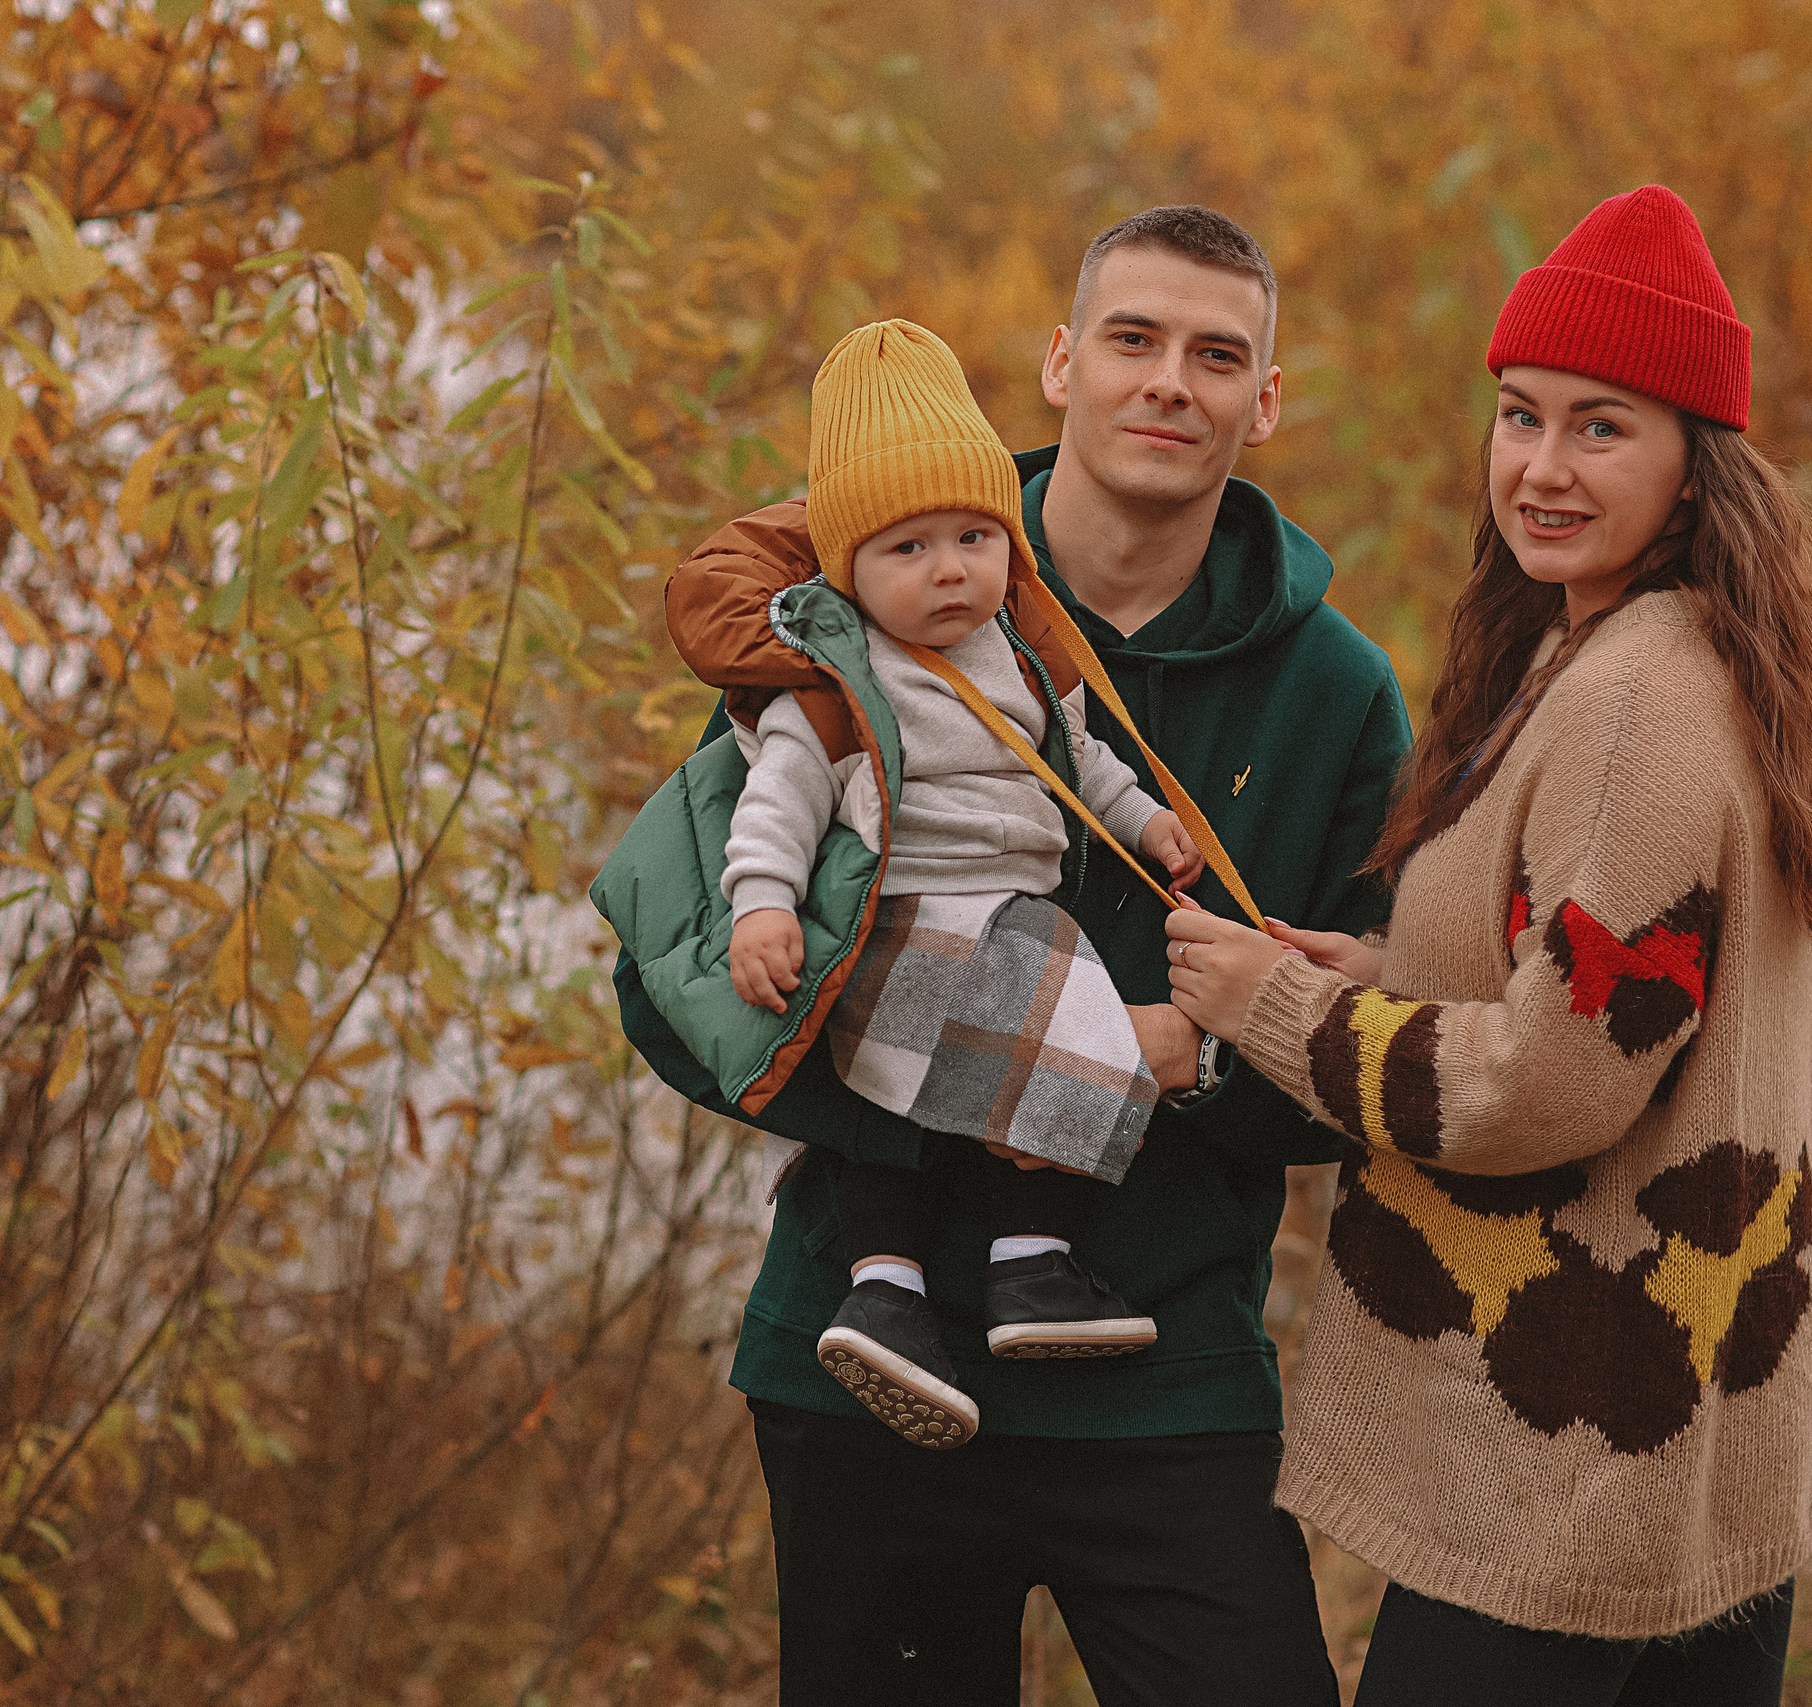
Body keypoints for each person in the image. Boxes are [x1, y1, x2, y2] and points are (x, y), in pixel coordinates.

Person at [603, 206, 1410, 1704]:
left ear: (1265, 399)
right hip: (866, 1363)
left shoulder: (1337, 694)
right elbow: (684, 969)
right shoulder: (864, 599)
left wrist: (1199, 1052)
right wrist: (904, 1046)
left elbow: (1378, 1055)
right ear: (1059, 364)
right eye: (1133, 339)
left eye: (1217, 354)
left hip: (1163, 1361)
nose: (1170, 381)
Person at [1162, 185, 1812, 1706]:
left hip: (1578, 1440)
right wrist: (1375, 972)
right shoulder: (1676, 651)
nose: (1543, 466)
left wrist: (1278, 1009)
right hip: (1696, 1432)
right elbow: (1633, 993)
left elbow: (1562, 1078)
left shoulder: (1637, 695)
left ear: (1697, 465)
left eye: (1601, 427)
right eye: (1521, 416)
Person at [712, 317, 1213, 1446]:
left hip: (1014, 913)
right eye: (907, 548)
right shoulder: (837, 683)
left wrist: (1148, 825)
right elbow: (778, 802)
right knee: (972, 1083)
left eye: (973, 537)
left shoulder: (1025, 655)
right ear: (849, 568)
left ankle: (1018, 1271)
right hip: (899, 921)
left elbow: (1080, 763)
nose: (949, 570)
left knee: (1011, 1085)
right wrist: (761, 908)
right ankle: (892, 1286)